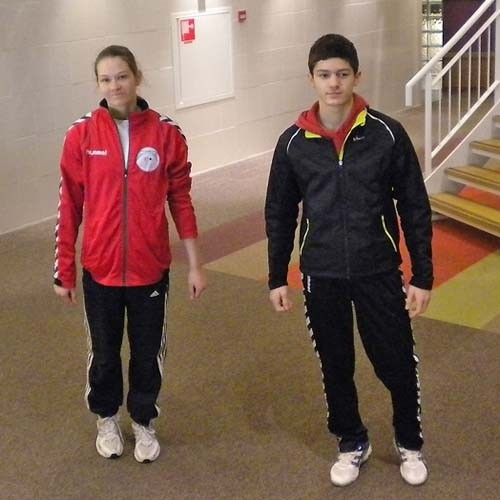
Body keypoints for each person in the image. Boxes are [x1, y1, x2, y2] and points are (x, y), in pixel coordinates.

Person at [265, 34, 433, 487]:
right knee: (335, 363)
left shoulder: (386, 134)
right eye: (324, 75)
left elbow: (414, 206)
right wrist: (277, 276)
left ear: (357, 76)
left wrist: (423, 275)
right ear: (312, 79)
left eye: (342, 74)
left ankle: (409, 442)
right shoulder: (293, 143)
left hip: (377, 269)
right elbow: (279, 212)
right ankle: (351, 441)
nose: (333, 83)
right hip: (321, 274)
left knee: (395, 361)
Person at [53, 45, 207, 463]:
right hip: (100, 270)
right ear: (98, 84)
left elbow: (181, 200)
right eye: (106, 79)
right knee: (104, 355)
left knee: (147, 353)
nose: (115, 86)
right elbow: (69, 207)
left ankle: (142, 420)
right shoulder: (82, 134)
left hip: (149, 269)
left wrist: (195, 264)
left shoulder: (166, 133)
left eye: (122, 76)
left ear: (137, 76)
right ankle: (106, 417)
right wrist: (64, 268)